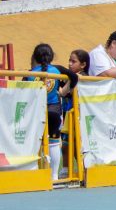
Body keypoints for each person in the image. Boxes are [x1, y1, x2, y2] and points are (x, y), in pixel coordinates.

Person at [25, 43, 78, 180]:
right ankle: (54, 176)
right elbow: (75, 77)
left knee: (34, 143)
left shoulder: (29, 74)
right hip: (54, 111)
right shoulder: (57, 69)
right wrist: (63, 92)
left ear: (34, 57)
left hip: (36, 113)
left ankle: (34, 173)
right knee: (54, 142)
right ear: (52, 56)